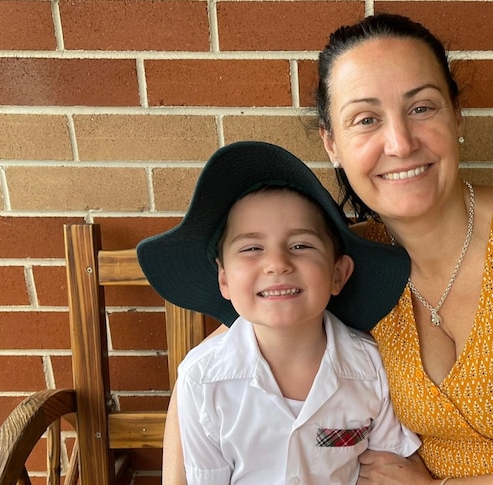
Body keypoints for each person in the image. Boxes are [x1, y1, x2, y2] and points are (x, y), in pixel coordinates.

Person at [167, 14, 493, 485]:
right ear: (332, 145)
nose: (401, 142)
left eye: (421, 108)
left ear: (457, 116)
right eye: (365, 119)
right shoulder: (354, 267)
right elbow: (237, 350)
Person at [137, 141, 420, 484]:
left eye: (300, 245)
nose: (277, 264)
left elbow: (388, 468)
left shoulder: (372, 369)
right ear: (224, 280)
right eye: (252, 248)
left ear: (338, 274)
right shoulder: (204, 381)